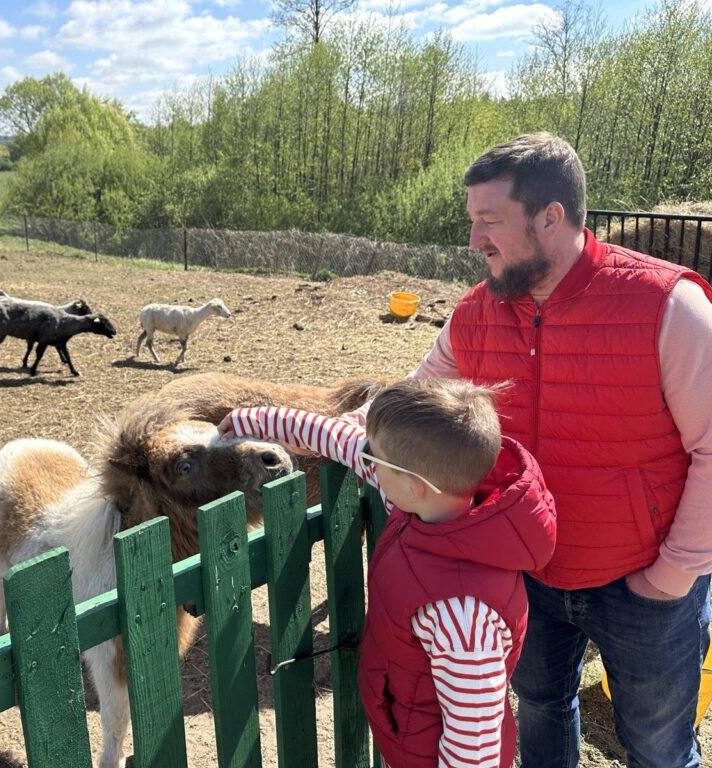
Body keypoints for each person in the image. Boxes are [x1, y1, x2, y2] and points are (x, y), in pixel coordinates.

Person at [411, 132, 712, 768]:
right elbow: (414, 403)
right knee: (543, 712)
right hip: (528, 572)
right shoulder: (475, 312)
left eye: (489, 221)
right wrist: (309, 428)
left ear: (551, 218)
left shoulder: (668, 307)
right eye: (472, 222)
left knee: (657, 748)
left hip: (644, 586)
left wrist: (673, 574)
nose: (473, 241)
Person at [220, 377, 557, 768]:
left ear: (412, 485)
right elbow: (340, 441)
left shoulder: (464, 617)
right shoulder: (426, 507)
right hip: (408, 729)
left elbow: (474, 750)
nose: (367, 461)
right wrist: (258, 420)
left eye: (375, 458)